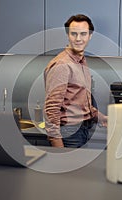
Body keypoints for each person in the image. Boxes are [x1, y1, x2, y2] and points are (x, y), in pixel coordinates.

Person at [43, 14, 107, 148]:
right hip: (68, 134)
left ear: (90, 36)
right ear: (68, 35)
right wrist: (57, 145)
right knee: (67, 168)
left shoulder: (81, 61)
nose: (78, 39)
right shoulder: (62, 65)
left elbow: (80, 101)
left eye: (83, 34)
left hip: (81, 131)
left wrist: (100, 116)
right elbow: (51, 108)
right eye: (74, 34)